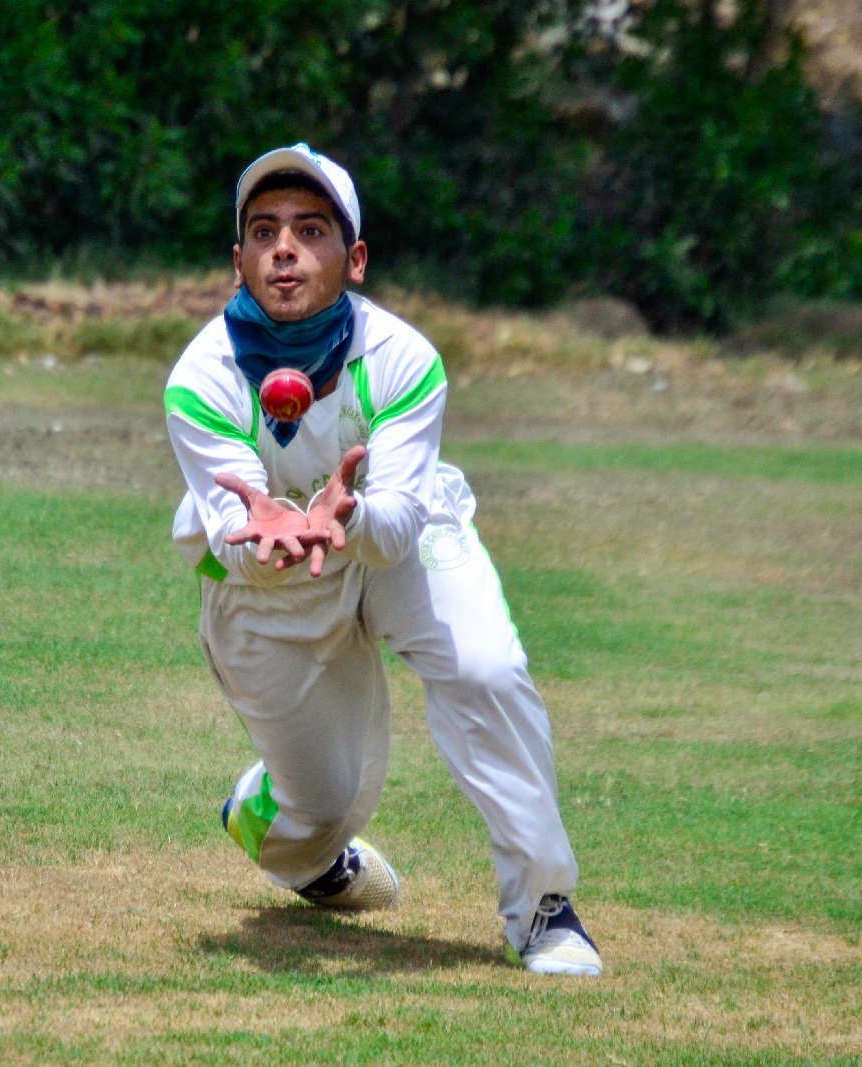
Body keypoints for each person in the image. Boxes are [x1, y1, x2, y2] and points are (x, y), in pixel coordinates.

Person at [163, 143, 601, 976]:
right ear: (238, 260)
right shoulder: (200, 379)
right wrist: (270, 538)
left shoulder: (402, 359)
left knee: (486, 668)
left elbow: (398, 522)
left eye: (311, 229)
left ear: (355, 259)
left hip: (395, 536)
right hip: (272, 581)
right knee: (327, 805)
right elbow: (230, 533)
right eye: (265, 231)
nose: (284, 248)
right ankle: (275, 821)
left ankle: (543, 906)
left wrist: (348, 513)